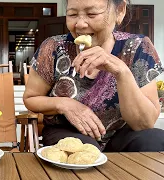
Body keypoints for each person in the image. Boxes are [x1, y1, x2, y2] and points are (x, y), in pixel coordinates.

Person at [23, 0, 164, 152]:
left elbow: (144, 124)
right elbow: (30, 98)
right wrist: (64, 104)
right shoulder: (53, 47)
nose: (80, 24)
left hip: (121, 135)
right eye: (72, 14)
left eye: (92, 14)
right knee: (85, 150)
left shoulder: (138, 47)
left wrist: (122, 72)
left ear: (120, 11)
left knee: (154, 140)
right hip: (67, 131)